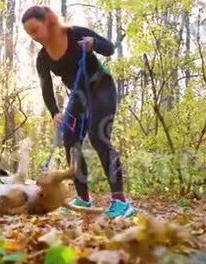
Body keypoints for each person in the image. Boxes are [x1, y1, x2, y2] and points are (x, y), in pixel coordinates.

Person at [21, 6, 136, 218]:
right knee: (70, 140)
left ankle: (121, 202)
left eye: (35, 30)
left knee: (98, 136)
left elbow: (109, 48)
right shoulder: (43, 58)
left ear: (48, 22)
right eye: (30, 34)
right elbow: (46, 87)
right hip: (78, 96)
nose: (34, 37)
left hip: (101, 87)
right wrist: (55, 112)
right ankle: (83, 198)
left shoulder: (76, 34)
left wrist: (94, 44)